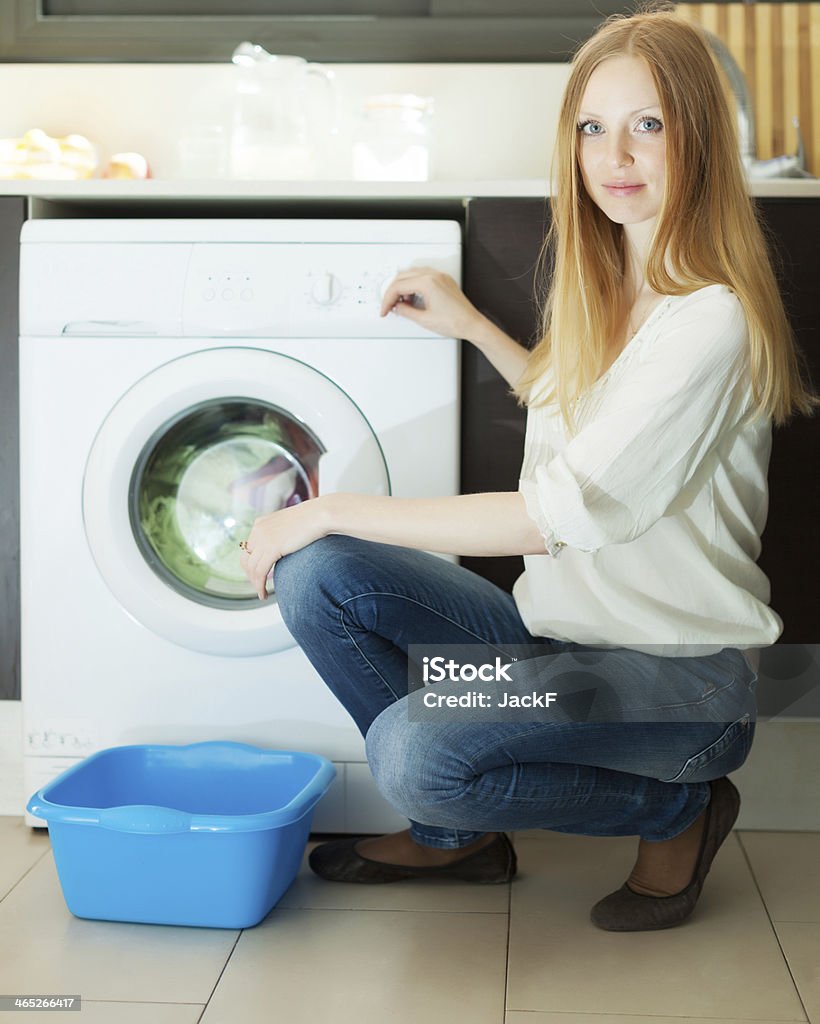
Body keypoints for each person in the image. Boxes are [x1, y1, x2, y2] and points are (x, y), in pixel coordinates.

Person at [239, 2, 818, 932]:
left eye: (649, 125)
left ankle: (678, 807)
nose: (614, 157)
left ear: (700, 139)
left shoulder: (710, 316)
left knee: (411, 753)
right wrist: (472, 326)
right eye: (594, 128)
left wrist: (324, 506)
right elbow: (580, 426)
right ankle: (456, 829)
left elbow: (549, 514)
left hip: (676, 679)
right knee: (322, 580)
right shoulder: (616, 279)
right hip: (555, 643)